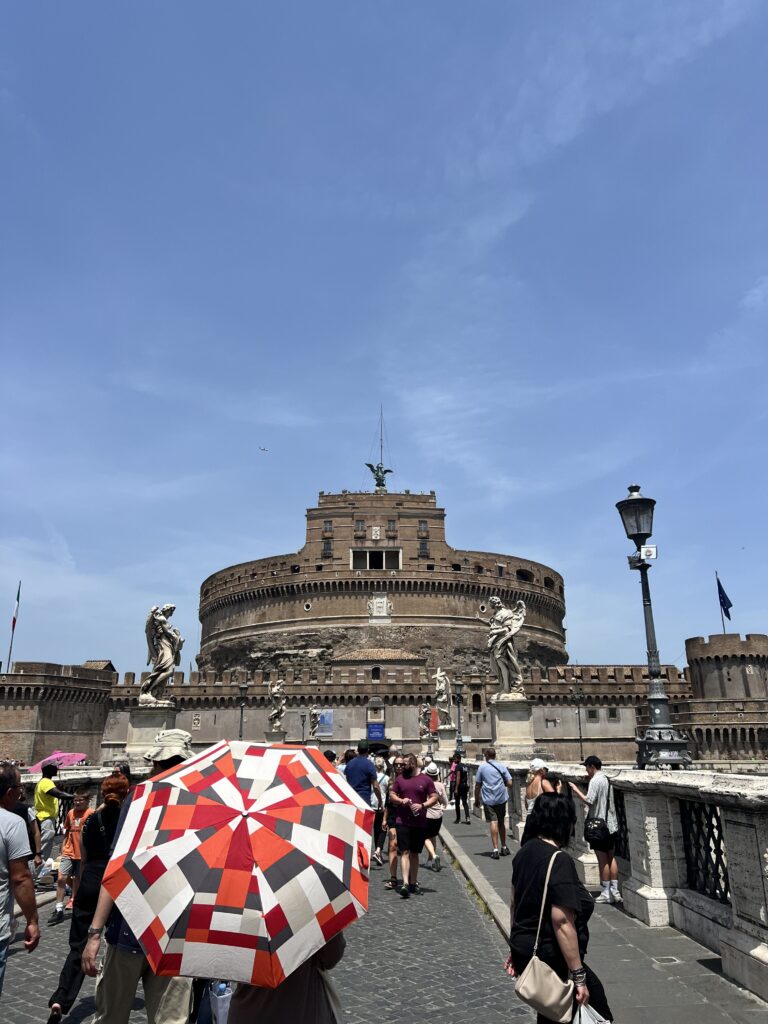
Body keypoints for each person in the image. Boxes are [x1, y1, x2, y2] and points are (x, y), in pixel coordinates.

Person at [82, 731, 195, 1024]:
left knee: (110, 1018)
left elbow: (117, 867)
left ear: (157, 765)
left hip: (129, 928)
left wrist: (94, 933)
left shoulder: (140, 800)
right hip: (177, 933)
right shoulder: (201, 806)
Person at [508, 793, 613, 1024]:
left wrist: (515, 947)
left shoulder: (524, 852)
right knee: (598, 1011)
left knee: (553, 1013)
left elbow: (515, 903)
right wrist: (578, 975)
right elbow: (562, 921)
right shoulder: (559, 860)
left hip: (526, 950)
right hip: (551, 955)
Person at [46, 774, 130, 1024]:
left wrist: (80, 890)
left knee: (78, 946)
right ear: (125, 795)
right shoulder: (127, 821)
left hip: (90, 882)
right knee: (117, 946)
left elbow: (82, 860)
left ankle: (62, 997)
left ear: (103, 795)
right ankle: (111, 1000)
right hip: (115, 885)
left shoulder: (91, 821)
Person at [229, 933, 345, 1024]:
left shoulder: (237, 906)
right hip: (300, 1008)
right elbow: (331, 956)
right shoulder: (311, 905)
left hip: (248, 1010)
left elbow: (230, 961)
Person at [0, 762, 40, 999]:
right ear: (8, 792)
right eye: (19, 787)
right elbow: (21, 878)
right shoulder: (12, 823)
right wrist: (32, 920)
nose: (21, 793)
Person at [569, 755, 621, 904]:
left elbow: (589, 800)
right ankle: (614, 890)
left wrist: (575, 789)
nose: (586, 770)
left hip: (599, 826)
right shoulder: (606, 779)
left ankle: (605, 892)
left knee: (602, 859)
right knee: (611, 857)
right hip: (611, 824)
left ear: (592, 767)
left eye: (587, 767)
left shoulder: (595, 781)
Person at [389, 753, 438, 898]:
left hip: (419, 821)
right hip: (402, 821)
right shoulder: (400, 779)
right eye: (400, 764)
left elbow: (434, 797)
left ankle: (413, 882)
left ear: (413, 763)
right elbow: (392, 794)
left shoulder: (426, 779)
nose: (401, 766)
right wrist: (400, 800)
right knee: (404, 851)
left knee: (415, 853)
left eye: (404, 764)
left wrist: (423, 805)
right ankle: (404, 883)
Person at [50, 788, 93, 924]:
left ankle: (75, 900)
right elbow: (67, 831)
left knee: (78, 878)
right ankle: (58, 908)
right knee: (62, 877)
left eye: (80, 800)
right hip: (69, 850)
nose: (77, 803)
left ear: (87, 801)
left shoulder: (91, 814)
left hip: (82, 853)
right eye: (75, 800)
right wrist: (62, 847)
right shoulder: (70, 813)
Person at [34, 762, 75, 876]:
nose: (57, 769)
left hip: (44, 818)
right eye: (55, 767)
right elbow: (59, 795)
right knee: (42, 852)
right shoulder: (46, 782)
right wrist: (76, 797)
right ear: (48, 769)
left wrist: (58, 787)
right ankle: (32, 876)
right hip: (46, 819)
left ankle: (34, 875)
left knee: (45, 851)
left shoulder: (43, 782)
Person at [474, 747, 514, 859]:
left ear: (486, 756)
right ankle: (504, 847)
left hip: (488, 799)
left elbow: (478, 785)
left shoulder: (482, 768)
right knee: (501, 822)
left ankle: (495, 849)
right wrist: (501, 786)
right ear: (495, 755)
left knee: (493, 821)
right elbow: (510, 783)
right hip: (501, 798)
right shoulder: (501, 766)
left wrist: (477, 799)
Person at [381, 754, 405, 890]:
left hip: (406, 815)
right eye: (397, 764)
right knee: (392, 845)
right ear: (393, 766)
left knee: (406, 848)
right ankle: (393, 877)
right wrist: (384, 819)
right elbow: (387, 803)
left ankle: (408, 878)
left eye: (402, 764)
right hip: (393, 816)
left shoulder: (409, 779)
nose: (399, 766)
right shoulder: (390, 780)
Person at [423, 762, 448, 871]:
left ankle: (433, 856)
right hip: (438, 815)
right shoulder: (440, 785)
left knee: (424, 837)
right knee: (433, 836)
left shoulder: (425, 784)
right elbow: (445, 801)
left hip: (427, 815)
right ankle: (430, 861)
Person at [343, 741, 382, 809]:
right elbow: (375, 786)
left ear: (358, 750)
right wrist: (380, 801)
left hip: (350, 800)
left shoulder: (349, 764)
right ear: (368, 750)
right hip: (364, 800)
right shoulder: (369, 765)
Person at [371, 757, 389, 867]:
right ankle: (378, 850)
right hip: (382, 806)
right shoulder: (386, 778)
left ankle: (378, 852)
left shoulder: (371, 777)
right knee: (383, 828)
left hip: (372, 804)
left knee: (375, 829)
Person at [453, 753, 470, 824]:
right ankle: (468, 817)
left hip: (459, 786)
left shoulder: (458, 767)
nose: (454, 760)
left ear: (459, 759)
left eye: (455, 759)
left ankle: (458, 818)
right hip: (465, 785)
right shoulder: (464, 766)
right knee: (465, 802)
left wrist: (456, 788)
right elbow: (466, 776)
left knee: (457, 803)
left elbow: (458, 777)